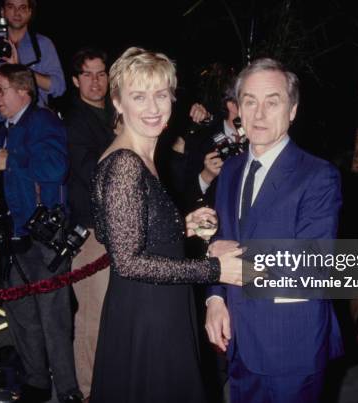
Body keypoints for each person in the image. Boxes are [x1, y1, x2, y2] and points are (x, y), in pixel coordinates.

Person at [89, 47, 243, 403]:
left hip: (149, 304)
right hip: (149, 313)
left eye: (161, 94)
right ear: (118, 102)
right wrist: (216, 269)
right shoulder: (126, 163)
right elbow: (128, 261)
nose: (153, 107)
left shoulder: (139, 155)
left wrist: (180, 226)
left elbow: (116, 230)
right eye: (139, 96)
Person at [205, 58, 344, 403]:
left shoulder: (318, 175)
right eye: (250, 101)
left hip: (290, 344)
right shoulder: (232, 170)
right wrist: (215, 299)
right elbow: (217, 239)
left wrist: (224, 256)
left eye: (273, 101)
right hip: (238, 338)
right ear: (238, 109)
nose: (260, 113)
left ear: (293, 110)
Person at [0, 63, 82, 403]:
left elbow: (55, 168)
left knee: (54, 318)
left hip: (44, 237)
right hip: (13, 236)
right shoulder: (3, 129)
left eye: (0, 90)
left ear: (24, 90)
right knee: (21, 316)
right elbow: (8, 179)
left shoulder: (42, 121)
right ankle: (37, 384)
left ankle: (67, 390)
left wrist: (11, 161)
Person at [64, 47, 115, 401]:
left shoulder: (118, 113)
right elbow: (91, 172)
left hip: (120, 228)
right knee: (91, 317)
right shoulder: (74, 121)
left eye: (101, 73)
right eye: (88, 74)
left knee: (115, 314)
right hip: (92, 231)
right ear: (75, 80)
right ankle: (88, 391)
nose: (95, 81)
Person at [0, 0, 65, 121]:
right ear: (3, 11)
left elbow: (59, 87)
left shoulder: (43, 45)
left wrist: (21, 70)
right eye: (11, 7)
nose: (17, 13)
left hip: (34, 122)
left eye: (22, 8)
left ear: (30, 12)